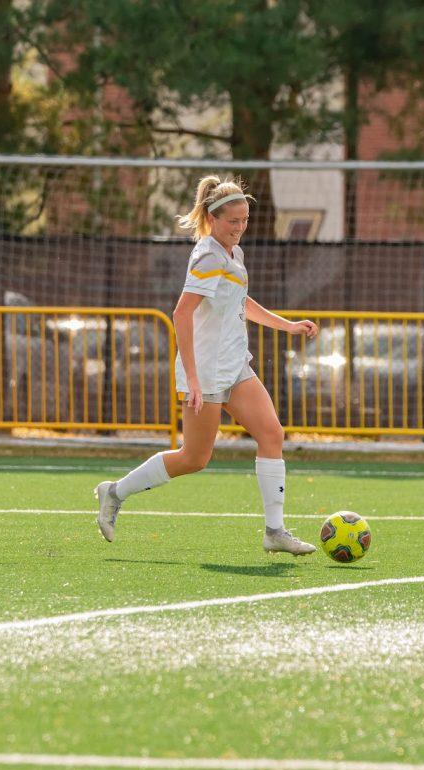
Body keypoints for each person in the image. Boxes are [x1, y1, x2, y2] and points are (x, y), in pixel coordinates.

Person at [95, 176, 320, 556]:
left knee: (272, 435)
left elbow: (240, 302)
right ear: (213, 218)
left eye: (245, 219)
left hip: (235, 365)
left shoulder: (234, 254)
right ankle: (114, 492)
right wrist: (194, 380)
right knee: (194, 458)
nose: (240, 227)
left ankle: (275, 531)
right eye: (233, 221)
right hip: (208, 371)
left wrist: (288, 325)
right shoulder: (209, 256)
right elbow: (181, 315)